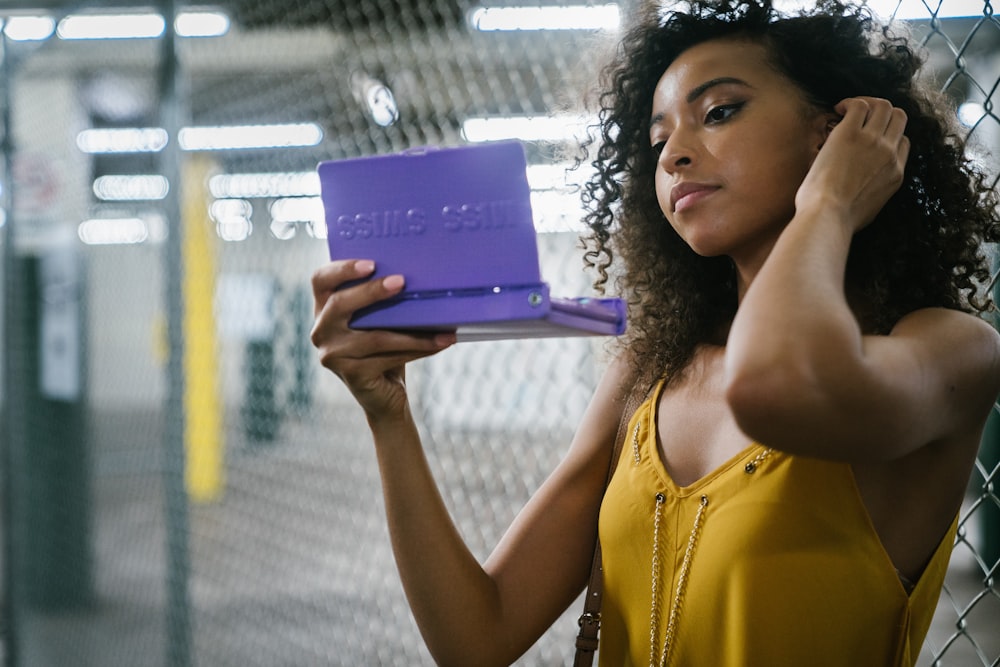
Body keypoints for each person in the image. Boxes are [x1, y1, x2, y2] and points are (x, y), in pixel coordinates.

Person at [310, 0, 1000, 664]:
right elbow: (477, 636)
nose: (673, 157)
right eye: (658, 141)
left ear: (835, 133)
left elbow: (773, 381)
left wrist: (829, 201)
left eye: (719, 112)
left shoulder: (948, 349)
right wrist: (388, 414)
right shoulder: (648, 372)